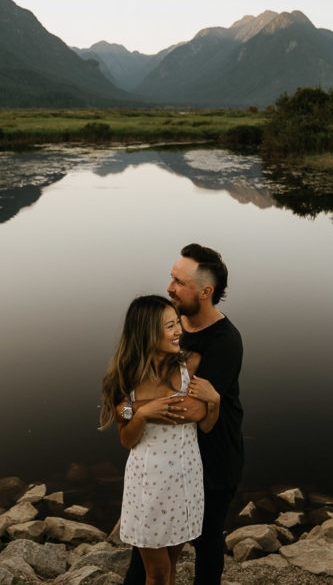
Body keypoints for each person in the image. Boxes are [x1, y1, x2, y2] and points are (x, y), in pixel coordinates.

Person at [122, 244, 245, 585]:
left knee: (206, 543)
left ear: (205, 292)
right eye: (171, 278)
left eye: (178, 281)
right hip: (166, 462)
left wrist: (135, 408)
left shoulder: (224, 342)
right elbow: (126, 388)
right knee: (146, 550)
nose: (170, 287)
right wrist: (128, 407)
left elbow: (188, 410)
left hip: (214, 456)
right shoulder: (168, 322)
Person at [100, 295, 221, 585]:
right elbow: (127, 440)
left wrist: (214, 402)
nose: (179, 330)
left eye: (177, 322)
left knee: (172, 566)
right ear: (146, 332)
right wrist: (142, 415)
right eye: (170, 325)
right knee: (156, 572)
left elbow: (204, 425)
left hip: (185, 479)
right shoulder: (124, 379)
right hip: (147, 487)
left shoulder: (190, 364)